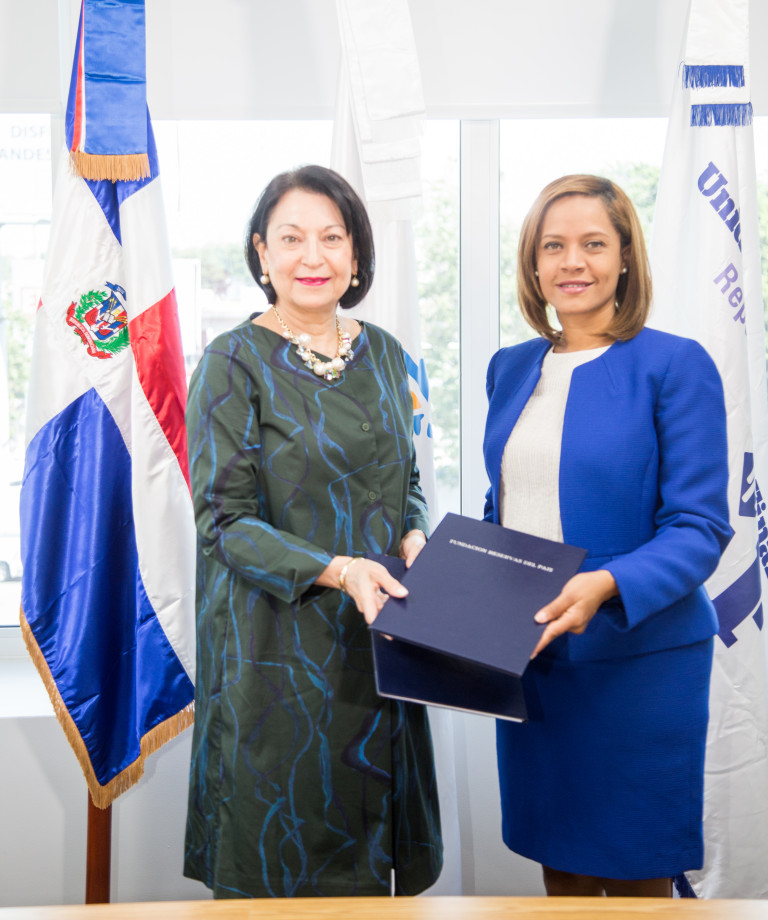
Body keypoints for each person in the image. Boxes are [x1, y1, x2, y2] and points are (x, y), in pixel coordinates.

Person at [184, 165, 442, 898]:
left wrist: (415, 533)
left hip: (381, 643)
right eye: (291, 238)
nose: (313, 256)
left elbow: (406, 479)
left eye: (332, 238)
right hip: (276, 658)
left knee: (374, 878)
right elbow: (224, 523)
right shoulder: (231, 361)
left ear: (356, 254)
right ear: (262, 253)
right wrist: (340, 570)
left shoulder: (386, 353)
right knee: (282, 877)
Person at [483, 174, 731, 898]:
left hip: (638, 659)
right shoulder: (509, 367)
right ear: (532, 264)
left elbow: (700, 526)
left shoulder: (674, 364)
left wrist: (606, 584)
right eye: (553, 246)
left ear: (625, 257)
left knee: (634, 876)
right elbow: (508, 503)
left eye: (594, 244)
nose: (573, 262)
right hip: (533, 654)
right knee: (558, 865)